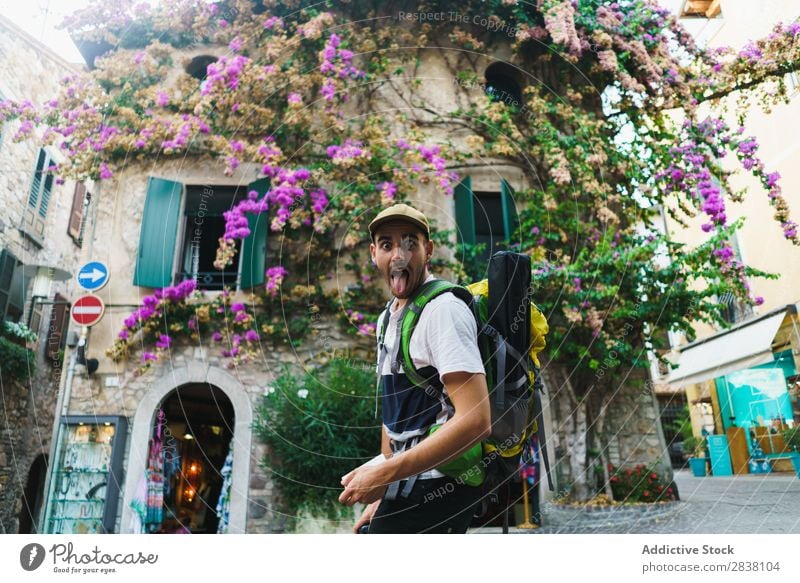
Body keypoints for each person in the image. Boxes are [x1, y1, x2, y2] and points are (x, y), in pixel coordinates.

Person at [338, 203, 491, 533]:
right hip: (406, 483)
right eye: (387, 244)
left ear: (428, 250)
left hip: (441, 484)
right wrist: (384, 494)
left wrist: (385, 476)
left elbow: (476, 420)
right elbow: (394, 415)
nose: (399, 255)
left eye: (410, 243)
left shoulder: (443, 310)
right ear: (373, 254)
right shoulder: (387, 319)